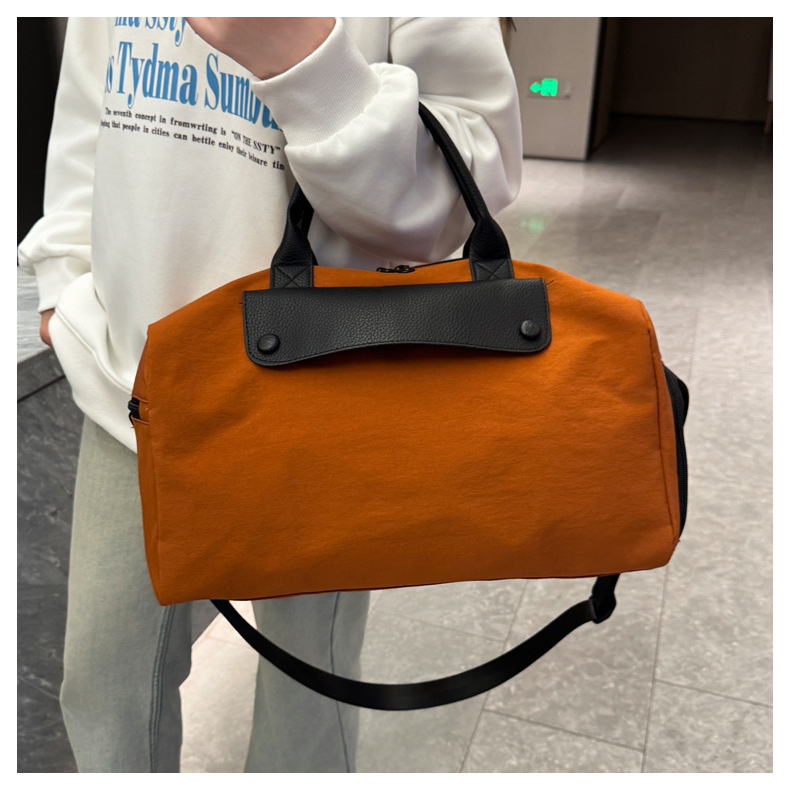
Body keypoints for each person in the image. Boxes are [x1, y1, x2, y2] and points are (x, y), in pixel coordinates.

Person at [18, 17, 522, 773]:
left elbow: (459, 190)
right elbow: (93, 105)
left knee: (309, 691)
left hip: (327, 393)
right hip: (137, 383)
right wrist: (63, 272)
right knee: (105, 690)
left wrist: (305, 65)